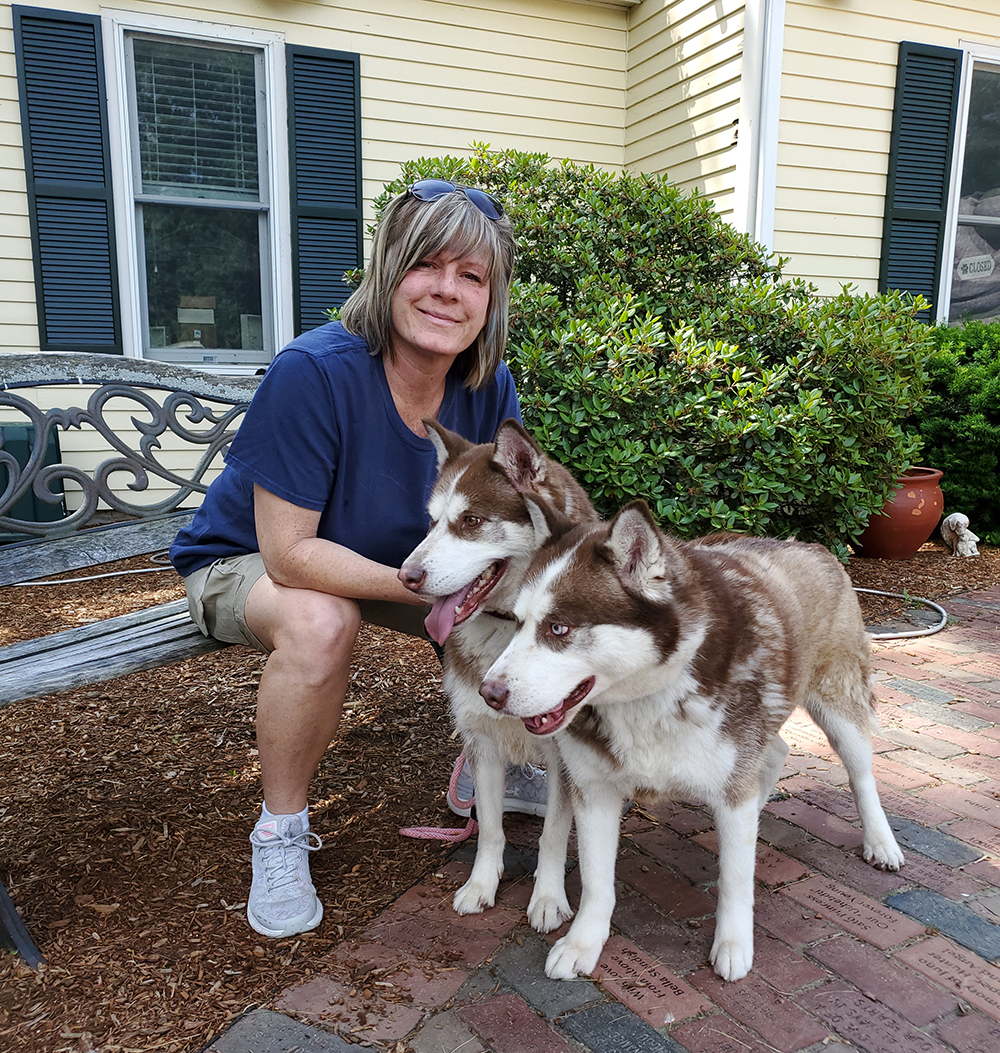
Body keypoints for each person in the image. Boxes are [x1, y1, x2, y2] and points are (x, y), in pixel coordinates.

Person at [169, 179, 542, 939]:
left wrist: (498, 584)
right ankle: (279, 831)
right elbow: (288, 554)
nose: (448, 290)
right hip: (249, 562)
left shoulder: (486, 383)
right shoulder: (314, 372)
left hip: (388, 559)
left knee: (520, 595)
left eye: (471, 275)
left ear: (491, 298)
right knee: (322, 620)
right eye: (427, 265)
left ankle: (493, 758)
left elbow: (496, 520)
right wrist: (437, 586)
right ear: (388, 272)